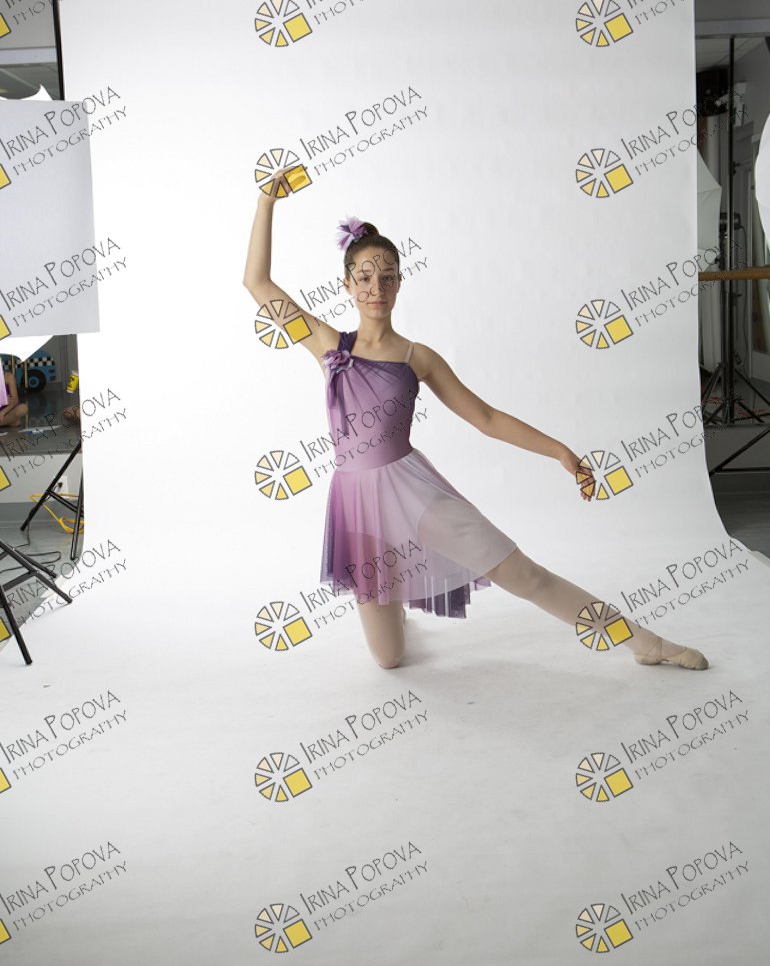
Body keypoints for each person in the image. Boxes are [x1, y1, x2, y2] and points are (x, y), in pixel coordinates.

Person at [243, 169, 709, 673]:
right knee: (389, 659)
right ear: (347, 284)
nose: (376, 287)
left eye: (387, 277)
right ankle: (397, 609)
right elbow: (257, 282)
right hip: (355, 505)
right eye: (365, 277)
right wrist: (267, 200)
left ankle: (645, 641)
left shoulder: (418, 357)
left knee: (524, 575)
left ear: (399, 283)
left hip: (412, 493)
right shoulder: (328, 345)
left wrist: (559, 451)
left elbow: (485, 417)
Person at [0, 363, 28, 428]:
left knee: (23, 408)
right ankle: (10, 421)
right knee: (16, 422)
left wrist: (2, 413)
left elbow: (15, 401)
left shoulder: (8, 377)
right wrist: (3, 401)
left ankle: (7, 421)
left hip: (6, 412)